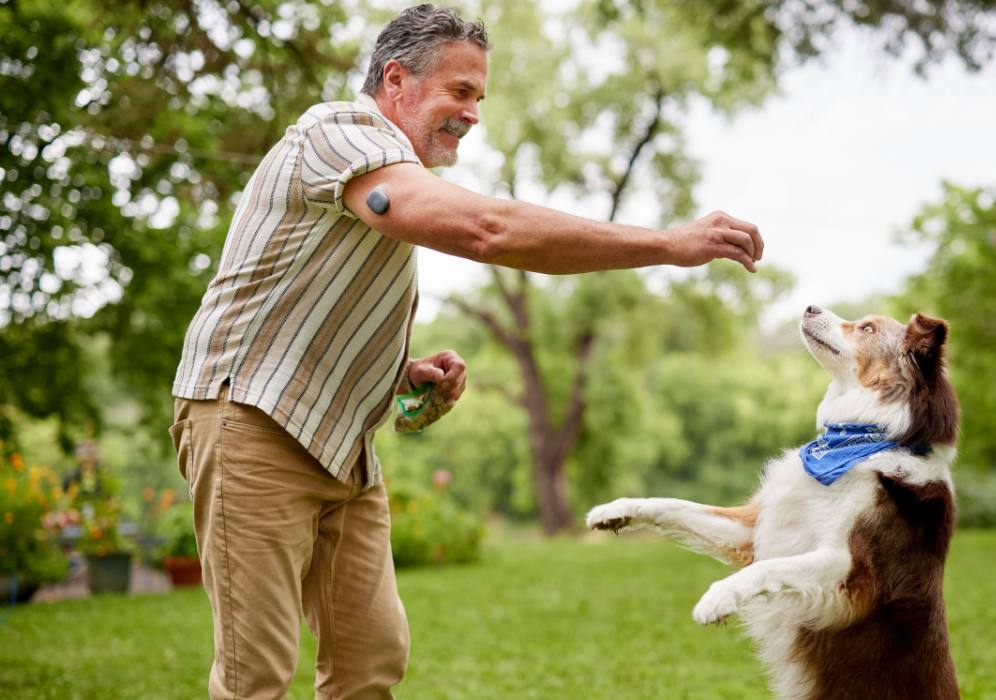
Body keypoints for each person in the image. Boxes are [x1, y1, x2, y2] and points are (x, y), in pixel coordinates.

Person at [168, 4, 764, 698]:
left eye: (478, 97)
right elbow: (487, 230)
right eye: (460, 91)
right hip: (251, 422)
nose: (473, 113)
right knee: (256, 675)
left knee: (370, 661)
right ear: (397, 80)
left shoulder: (388, 175)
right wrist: (667, 244)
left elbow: (307, 297)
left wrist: (400, 372)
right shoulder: (340, 133)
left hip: (341, 447)